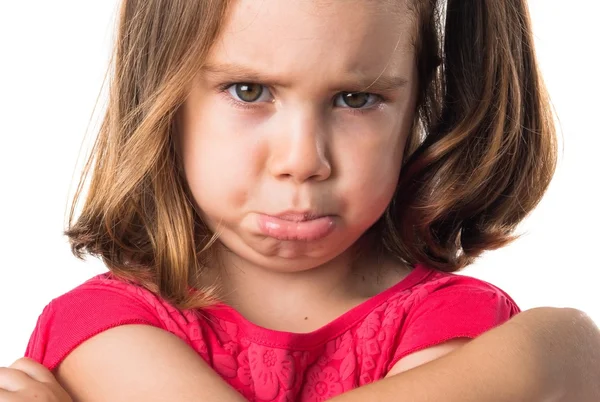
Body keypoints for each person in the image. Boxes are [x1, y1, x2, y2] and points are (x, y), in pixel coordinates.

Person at [1, 0, 599, 401]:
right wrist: (547, 359)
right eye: (248, 90)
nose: (303, 159)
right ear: (164, 94)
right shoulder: (103, 330)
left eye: (356, 99)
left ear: (420, 97)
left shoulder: (453, 323)